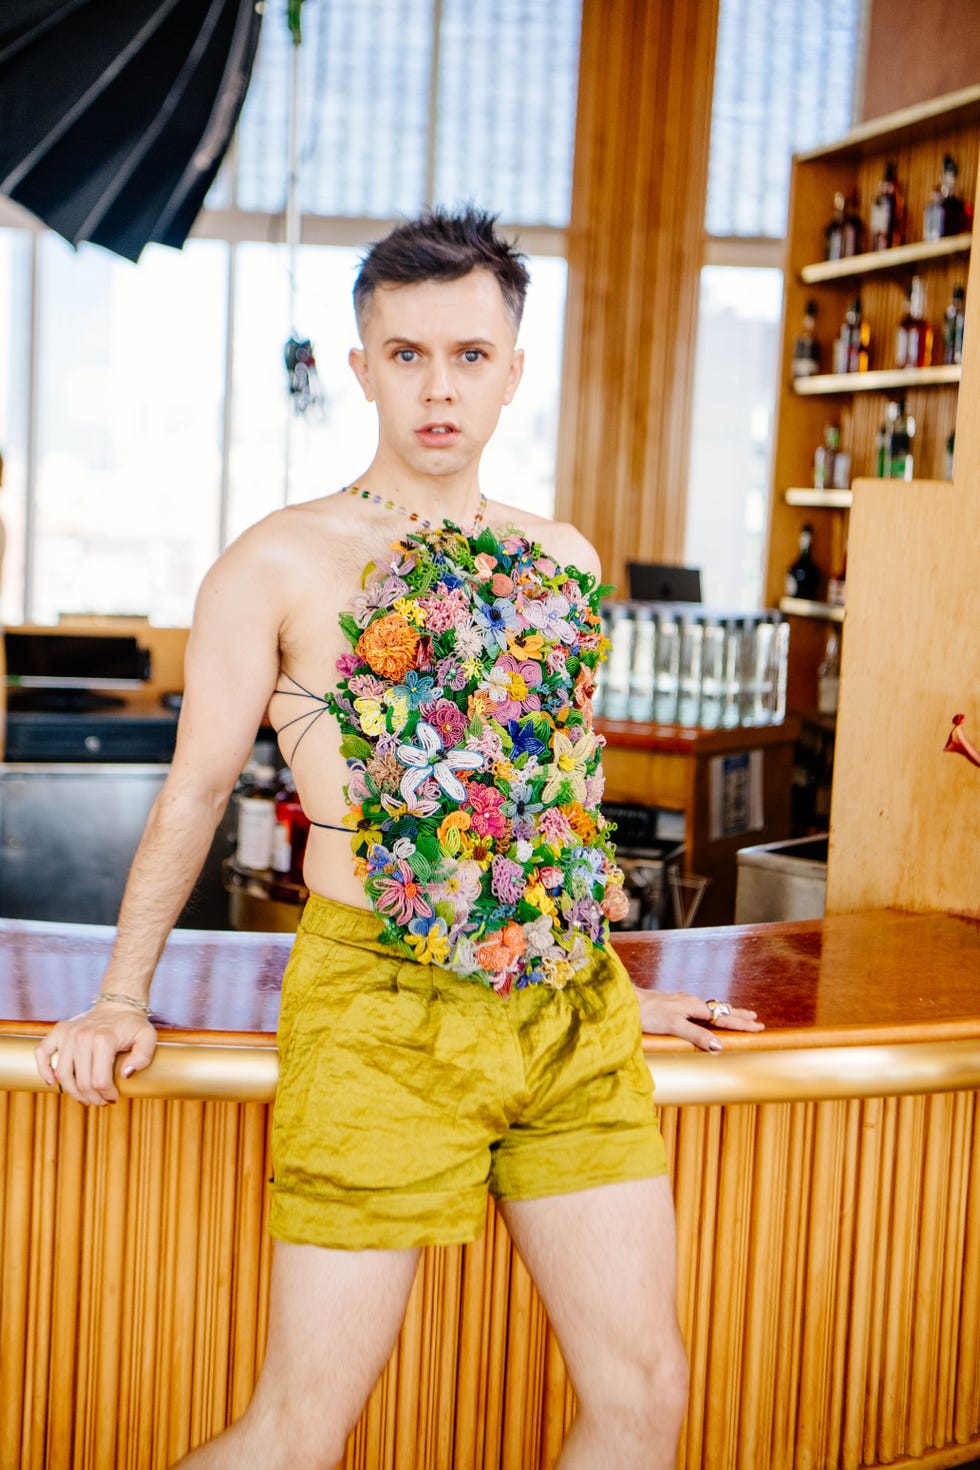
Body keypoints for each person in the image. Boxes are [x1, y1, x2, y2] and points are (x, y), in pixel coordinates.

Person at [35, 208, 762, 1469]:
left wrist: (604, 974)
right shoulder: (275, 560)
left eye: (469, 356)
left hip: (566, 1011)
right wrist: (118, 994)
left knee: (646, 1395)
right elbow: (197, 789)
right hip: (375, 1006)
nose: (439, 386)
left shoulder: (563, 559)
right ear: (362, 365)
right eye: (408, 354)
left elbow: (545, 801)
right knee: (298, 1431)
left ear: (512, 371)